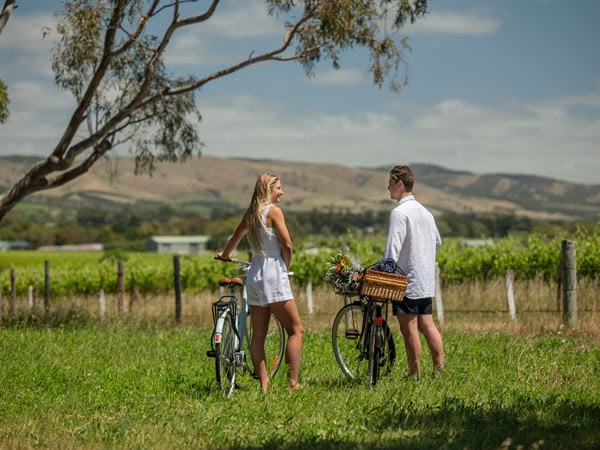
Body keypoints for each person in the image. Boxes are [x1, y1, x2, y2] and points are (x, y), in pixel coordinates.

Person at [216, 173, 304, 392]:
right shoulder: (274, 212)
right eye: (279, 188)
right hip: (273, 273)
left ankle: (264, 385)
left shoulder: (251, 214)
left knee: (258, 335)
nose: (282, 192)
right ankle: (292, 382)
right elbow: (288, 244)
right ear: (268, 189)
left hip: (254, 275)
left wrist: (225, 255)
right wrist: (285, 266)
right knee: (296, 330)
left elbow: (234, 239)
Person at [383, 165, 445, 380]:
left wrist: (382, 270)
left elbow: (392, 250)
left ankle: (414, 374)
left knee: (409, 328)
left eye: (390, 183)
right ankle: (439, 369)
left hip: (405, 280)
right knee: (427, 324)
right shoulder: (425, 212)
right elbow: (437, 242)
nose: (388, 188)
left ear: (399, 183)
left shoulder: (399, 213)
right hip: (425, 279)